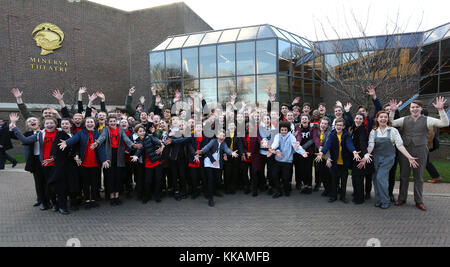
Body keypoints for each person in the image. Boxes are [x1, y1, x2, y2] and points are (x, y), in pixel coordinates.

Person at [389, 97, 449, 211]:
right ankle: (402, 198)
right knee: (403, 175)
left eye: (417, 107)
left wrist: (441, 110)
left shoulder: (427, 119)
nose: (414, 109)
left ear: (421, 108)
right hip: (405, 150)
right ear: (410, 109)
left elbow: (445, 123)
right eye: (412, 107)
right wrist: (392, 111)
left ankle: (419, 201)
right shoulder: (404, 119)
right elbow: (391, 123)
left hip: (421, 150)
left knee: (419, 176)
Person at [364, 111, 419, 209]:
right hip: (376, 158)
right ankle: (379, 199)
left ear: (388, 119)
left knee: (381, 178)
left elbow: (399, 145)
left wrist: (409, 156)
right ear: (377, 119)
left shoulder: (393, 131)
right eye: (381, 117)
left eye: (385, 117)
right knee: (375, 179)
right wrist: (366, 154)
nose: (383, 119)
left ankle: (386, 200)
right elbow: (371, 145)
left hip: (388, 158)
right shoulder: (374, 131)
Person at [10, 116, 60, 211]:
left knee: (49, 181)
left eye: (34, 120)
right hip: (36, 161)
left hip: (48, 159)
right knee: (39, 182)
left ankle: (51, 200)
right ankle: (43, 202)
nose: (32, 121)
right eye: (29, 121)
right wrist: (13, 126)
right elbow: (23, 139)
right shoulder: (32, 134)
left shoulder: (46, 131)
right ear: (28, 125)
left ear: (39, 123)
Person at [58, 117, 108, 209]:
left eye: (91, 122)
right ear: (85, 124)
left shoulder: (98, 133)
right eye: (88, 122)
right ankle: (87, 200)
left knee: (95, 183)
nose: (89, 124)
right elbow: (74, 140)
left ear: (94, 123)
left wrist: (104, 159)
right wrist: (66, 142)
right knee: (85, 183)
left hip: (95, 163)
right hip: (84, 163)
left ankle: (93, 199)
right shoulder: (80, 133)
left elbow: (101, 148)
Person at [92, 116, 139, 206]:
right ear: (108, 122)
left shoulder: (120, 130)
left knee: (118, 176)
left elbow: (126, 139)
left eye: (114, 121)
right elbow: (102, 137)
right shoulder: (106, 129)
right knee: (109, 176)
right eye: (111, 121)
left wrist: (133, 145)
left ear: (116, 122)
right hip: (109, 154)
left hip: (119, 155)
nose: (112, 123)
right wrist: (97, 142)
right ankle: (111, 196)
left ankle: (117, 196)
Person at [315, 118, 362, 203]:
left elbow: (349, 144)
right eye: (337, 125)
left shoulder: (346, 135)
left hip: (344, 162)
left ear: (343, 126)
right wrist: (321, 152)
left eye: (340, 125)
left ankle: (343, 197)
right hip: (335, 162)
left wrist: (354, 151)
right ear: (335, 126)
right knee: (334, 180)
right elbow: (327, 144)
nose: (339, 126)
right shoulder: (332, 134)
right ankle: (333, 196)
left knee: (343, 181)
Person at [268, 121, 309, 199]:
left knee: (286, 178)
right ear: (280, 130)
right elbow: (275, 144)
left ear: (288, 130)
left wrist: (302, 152)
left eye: (285, 130)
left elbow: (296, 146)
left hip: (287, 161)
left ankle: (286, 190)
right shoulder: (277, 136)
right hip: (278, 160)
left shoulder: (291, 136)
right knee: (274, 175)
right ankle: (278, 191)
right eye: (282, 130)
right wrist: (273, 149)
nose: (283, 131)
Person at [131, 124, 164, 204]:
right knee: (147, 181)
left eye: (143, 131)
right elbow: (140, 149)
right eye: (140, 131)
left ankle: (157, 196)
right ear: (136, 133)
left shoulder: (150, 136)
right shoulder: (138, 141)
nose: (142, 133)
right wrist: (136, 156)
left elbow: (160, 142)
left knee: (158, 179)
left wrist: (161, 148)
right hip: (147, 164)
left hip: (156, 161)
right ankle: (147, 196)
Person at [349, 113, 373, 205]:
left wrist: (365, 154)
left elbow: (362, 142)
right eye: (357, 118)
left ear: (363, 121)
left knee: (358, 178)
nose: (358, 120)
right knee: (355, 177)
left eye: (360, 119)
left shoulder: (362, 130)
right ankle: (356, 195)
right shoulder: (354, 128)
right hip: (355, 155)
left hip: (360, 156)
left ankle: (359, 198)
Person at [294, 114, 320, 194]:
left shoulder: (312, 128)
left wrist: (319, 147)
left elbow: (315, 138)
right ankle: (305, 184)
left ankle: (309, 185)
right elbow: (298, 136)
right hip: (301, 152)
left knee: (308, 169)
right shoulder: (298, 128)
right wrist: (298, 142)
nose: (304, 120)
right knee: (302, 169)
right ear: (301, 120)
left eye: (306, 119)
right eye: (302, 119)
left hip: (310, 152)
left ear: (309, 120)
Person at [315, 117, 332, 197]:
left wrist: (327, 157)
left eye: (325, 124)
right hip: (318, 156)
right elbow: (313, 140)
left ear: (328, 125)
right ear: (320, 123)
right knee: (321, 173)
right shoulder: (317, 131)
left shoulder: (329, 133)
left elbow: (328, 145)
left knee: (327, 174)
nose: (323, 125)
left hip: (326, 155)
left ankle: (329, 189)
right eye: (322, 123)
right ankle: (326, 189)